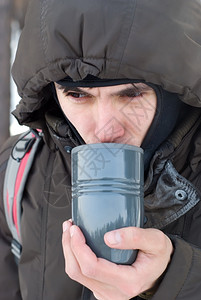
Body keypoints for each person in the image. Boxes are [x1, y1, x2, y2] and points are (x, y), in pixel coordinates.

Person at [0, 0, 201, 299]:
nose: (105, 130)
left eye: (131, 94)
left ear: (176, 90)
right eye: (77, 94)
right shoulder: (17, 174)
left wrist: (176, 277)